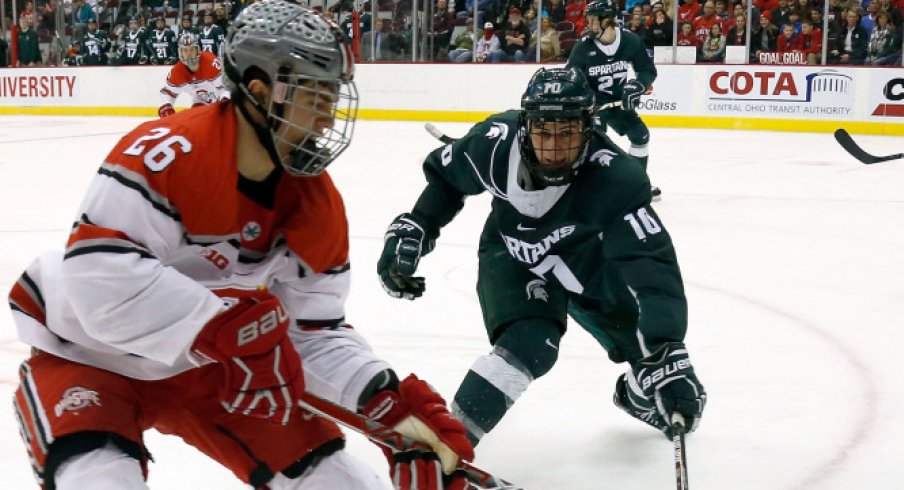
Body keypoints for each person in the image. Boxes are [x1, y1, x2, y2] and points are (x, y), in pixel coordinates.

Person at [8, 2, 474, 489]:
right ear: (259, 91)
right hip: (87, 355)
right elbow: (98, 277)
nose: (327, 115)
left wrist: (386, 401)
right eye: (315, 95)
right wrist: (218, 323)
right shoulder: (168, 153)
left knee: (337, 481)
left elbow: (314, 331)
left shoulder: (317, 204)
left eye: (332, 95)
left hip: (216, 370)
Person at [376, 66, 706, 451]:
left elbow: (651, 266)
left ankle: (634, 393)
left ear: (590, 130)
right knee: (530, 343)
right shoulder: (493, 144)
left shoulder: (615, 179)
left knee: (652, 363)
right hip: (512, 252)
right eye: (544, 132)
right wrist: (418, 224)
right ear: (524, 127)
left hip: (586, 260)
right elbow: (447, 179)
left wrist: (667, 351)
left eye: (567, 133)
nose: (553, 148)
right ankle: (448, 445)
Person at [566, 0, 660, 199]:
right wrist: (583, 101)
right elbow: (571, 78)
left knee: (640, 135)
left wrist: (637, 86)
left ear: (608, 21)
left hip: (618, 102)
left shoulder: (630, 41)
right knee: (597, 142)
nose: (588, 25)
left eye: (593, 20)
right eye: (588, 20)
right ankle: (593, 188)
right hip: (593, 106)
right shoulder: (583, 47)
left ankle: (636, 184)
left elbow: (646, 70)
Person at [157, 32, 229, 118]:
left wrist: (225, 102)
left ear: (198, 50)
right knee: (196, 118)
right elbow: (167, 92)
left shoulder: (210, 63)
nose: (188, 54)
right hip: (201, 102)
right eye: (185, 50)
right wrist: (167, 111)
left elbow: (226, 87)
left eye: (192, 49)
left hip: (220, 101)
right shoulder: (177, 71)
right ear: (180, 52)